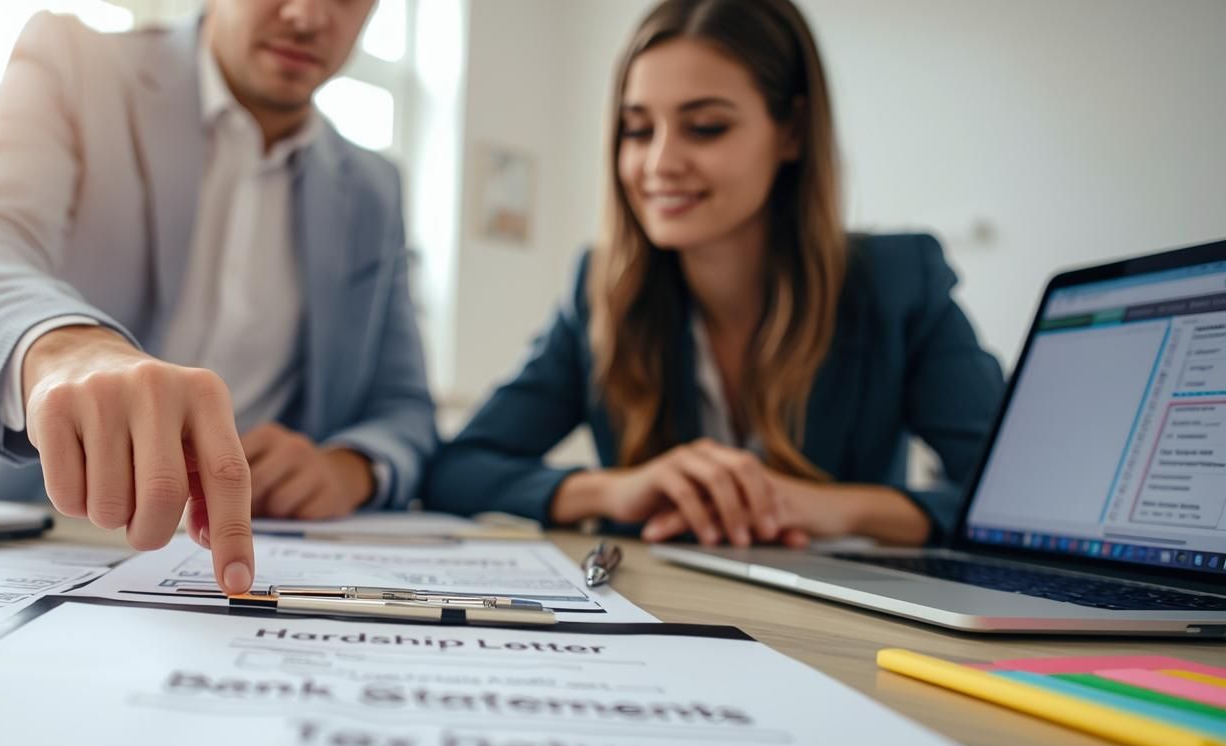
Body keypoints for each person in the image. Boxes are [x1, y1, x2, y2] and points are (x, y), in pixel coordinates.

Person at [0, 0, 437, 594]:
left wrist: (350, 466)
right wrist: (66, 347)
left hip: (237, 570)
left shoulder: (374, 189)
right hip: (18, 539)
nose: (309, 16)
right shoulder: (77, 65)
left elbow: (405, 407)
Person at [424, 0, 1004, 549]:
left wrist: (829, 507)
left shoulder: (898, 281)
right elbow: (457, 471)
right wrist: (614, 490)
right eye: (637, 129)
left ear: (793, 132)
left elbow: (1011, 502)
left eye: (704, 127)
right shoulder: (603, 290)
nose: (659, 164)